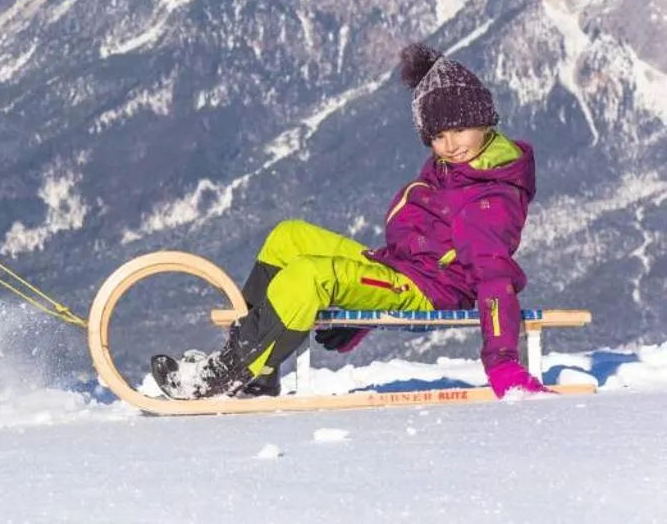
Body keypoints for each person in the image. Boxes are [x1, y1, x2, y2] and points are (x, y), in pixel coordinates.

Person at [152, 41, 553, 401]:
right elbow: (421, 239)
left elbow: (494, 278)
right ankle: (261, 367)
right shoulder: (457, 166)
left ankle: (228, 373)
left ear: (486, 121)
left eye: (460, 129)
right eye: (437, 136)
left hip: (431, 290)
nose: (449, 144)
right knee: (288, 238)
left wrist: (502, 362)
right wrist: (361, 298)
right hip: (404, 268)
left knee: (309, 275)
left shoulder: (489, 198)